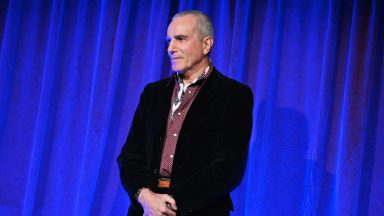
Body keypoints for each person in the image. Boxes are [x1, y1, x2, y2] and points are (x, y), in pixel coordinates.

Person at [117, 10, 253, 216]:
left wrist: (170, 203)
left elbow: (229, 166)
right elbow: (129, 155)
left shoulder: (234, 95)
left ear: (206, 44)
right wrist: (145, 197)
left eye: (180, 39)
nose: (171, 48)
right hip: (147, 210)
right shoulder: (153, 93)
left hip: (199, 209)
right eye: (168, 40)